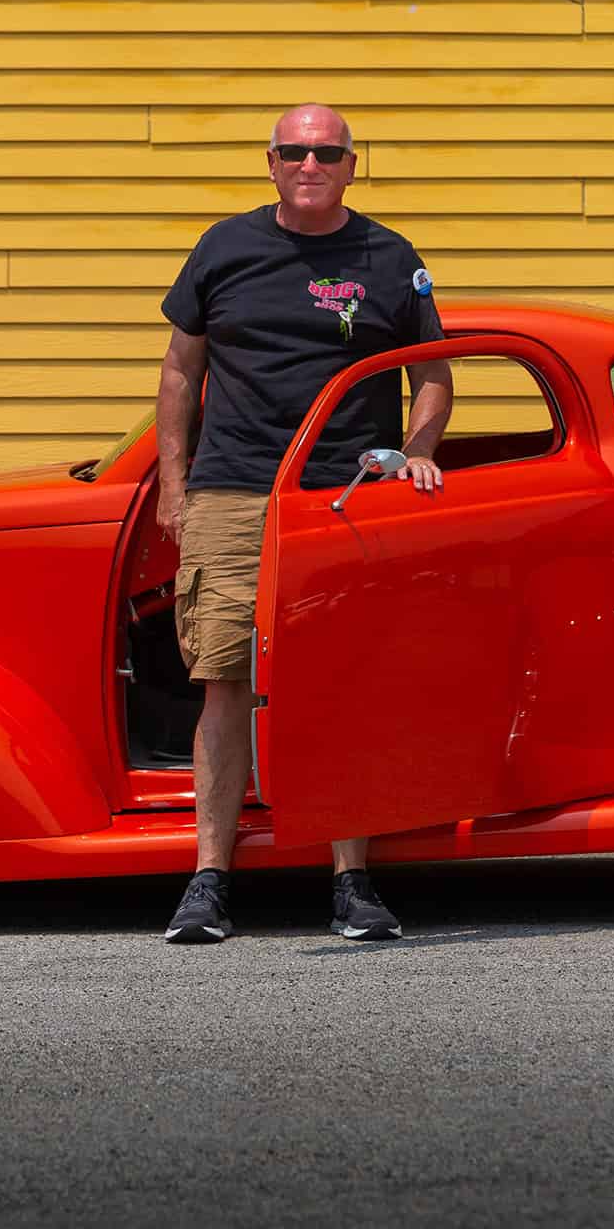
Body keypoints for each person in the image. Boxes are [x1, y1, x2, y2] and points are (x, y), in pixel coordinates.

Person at [153, 102, 454, 944]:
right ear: (272, 161)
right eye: (295, 150)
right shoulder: (225, 247)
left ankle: (353, 881)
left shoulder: (389, 257)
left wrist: (415, 450)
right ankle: (209, 880)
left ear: (353, 164)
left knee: (341, 684)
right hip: (234, 491)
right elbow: (181, 374)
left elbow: (433, 374)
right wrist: (175, 485)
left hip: (344, 500)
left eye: (327, 152)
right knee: (222, 677)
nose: (310, 163)